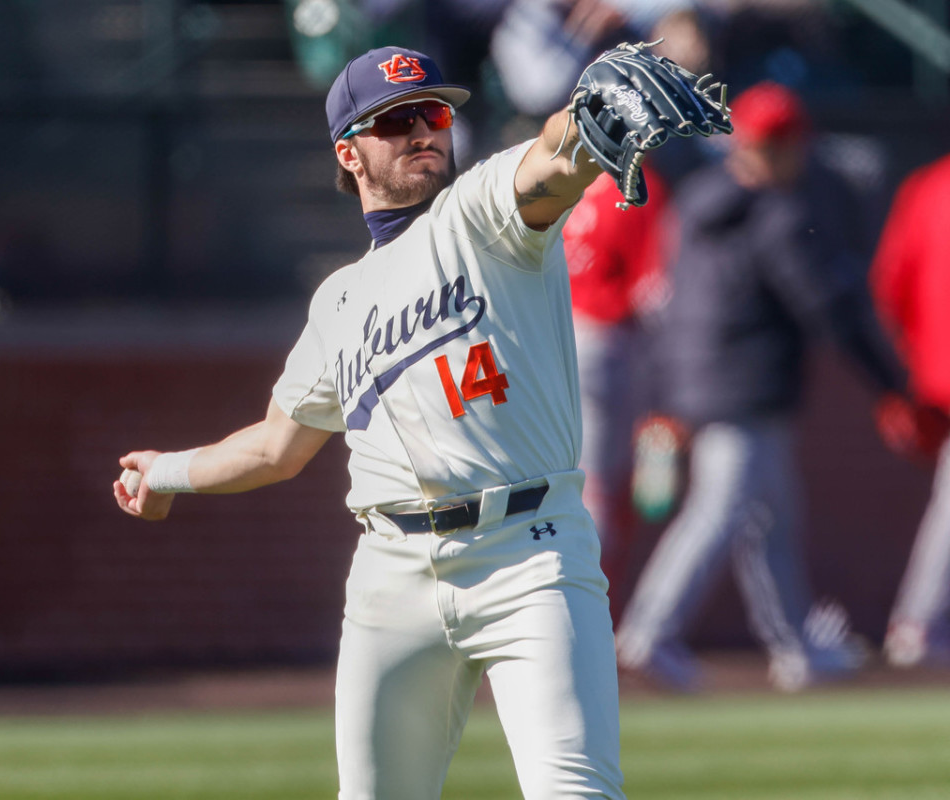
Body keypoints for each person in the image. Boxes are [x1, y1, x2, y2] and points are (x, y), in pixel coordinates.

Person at [113, 44, 724, 798]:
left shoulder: (481, 216)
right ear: (349, 152)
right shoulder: (337, 302)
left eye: (432, 113)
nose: (422, 131)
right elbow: (276, 447)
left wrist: (582, 120)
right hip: (392, 573)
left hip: (529, 556)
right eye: (395, 120)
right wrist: (167, 471)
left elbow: (548, 164)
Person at [614, 82, 911, 692]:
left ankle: (796, 646)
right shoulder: (776, 214)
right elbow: (828, 309)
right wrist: (891, 385)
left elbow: (666, 306)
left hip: (698, 383)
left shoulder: (697, 204)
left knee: (770, 519)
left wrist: (664, 392)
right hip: (743, 388)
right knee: (721, 512)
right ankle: (650, 632)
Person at [562, 162, 671, 612]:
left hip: (547, 338)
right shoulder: (638, 183)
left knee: (566, 487)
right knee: (602, 493)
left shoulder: (556, 173)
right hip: (607, 342)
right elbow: (655, 292)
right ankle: (588, 616)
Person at [870, 152, 950, 669]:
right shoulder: (927, 188)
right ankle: (917, 622)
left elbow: (887, 289)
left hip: (932, 372)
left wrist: (902, 376)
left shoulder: (926, 186)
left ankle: (917, 623)